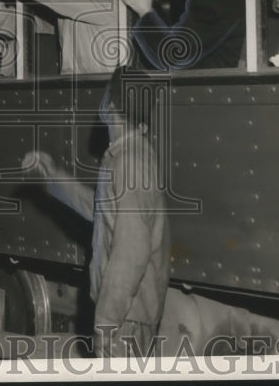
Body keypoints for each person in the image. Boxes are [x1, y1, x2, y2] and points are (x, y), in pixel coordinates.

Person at [22, 68, 170, 357]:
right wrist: (53, 175)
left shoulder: (130, 163)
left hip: (125, 319)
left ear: (110, 105)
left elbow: (131, 252)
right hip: (126, 315)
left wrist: (106, 322)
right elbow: (99, 208)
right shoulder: (127, 154)